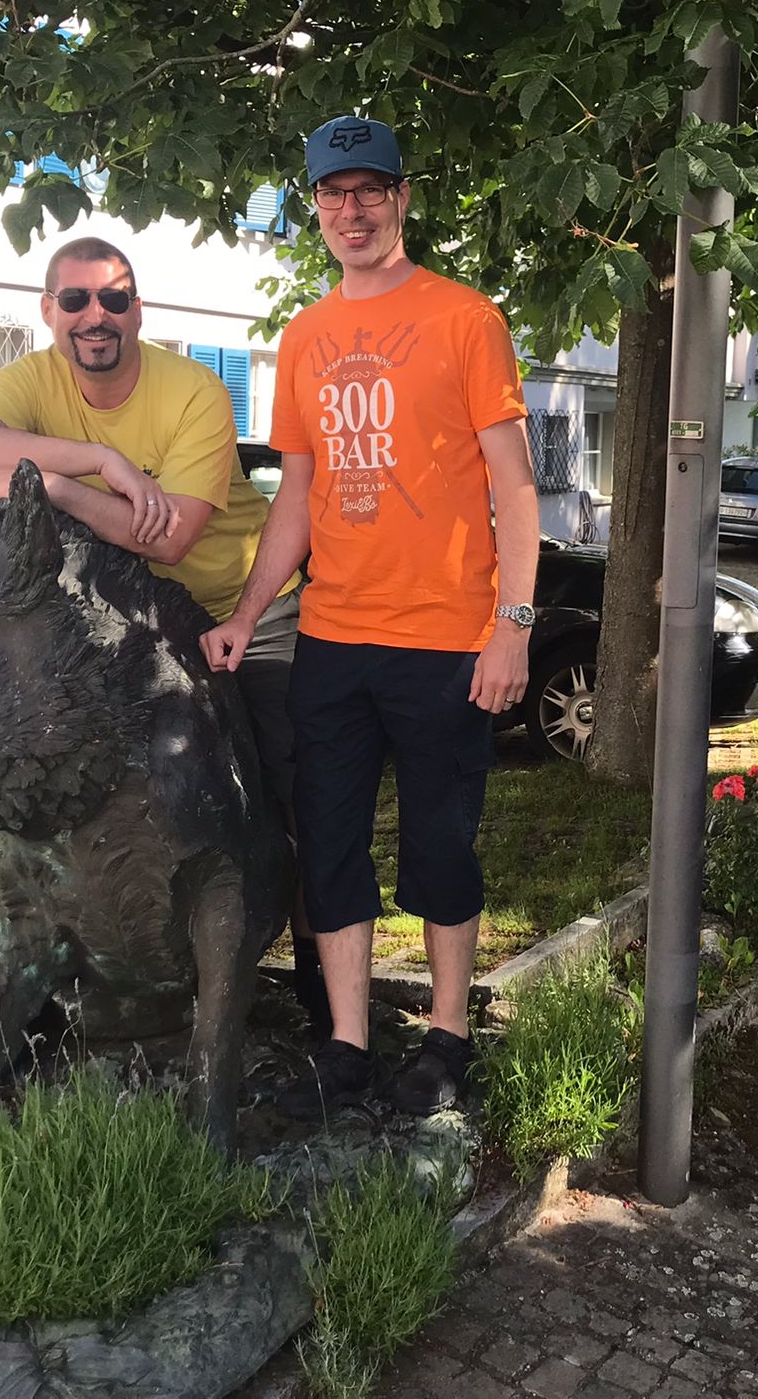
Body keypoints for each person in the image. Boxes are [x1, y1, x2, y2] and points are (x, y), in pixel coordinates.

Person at [203, 115, 540, 1118]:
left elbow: (515, 489)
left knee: (440, 846)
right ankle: (346, 1047)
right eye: (332, 194)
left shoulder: (466, 319)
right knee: (330, 843)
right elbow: (298, 496)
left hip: (445, 641)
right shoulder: (306, 336)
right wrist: (249, 611)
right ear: (315, 208)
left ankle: (447, 1036)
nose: (351, 210)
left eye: (369, 191)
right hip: (332, 639)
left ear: (401, 199)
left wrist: (514, 626)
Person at [0, 238, 321, 1026]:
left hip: (239, 608)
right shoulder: (30, 380)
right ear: (49, 310)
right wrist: (98, 460)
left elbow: (171, 539)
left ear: (138, 311)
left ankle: (318, 971)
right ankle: (77, 963)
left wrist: (52, 485)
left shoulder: (194, 390)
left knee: (296, 792)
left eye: (114, 299)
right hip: (124, 629)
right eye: (75, 300)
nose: (95, 316)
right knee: (81, 789)